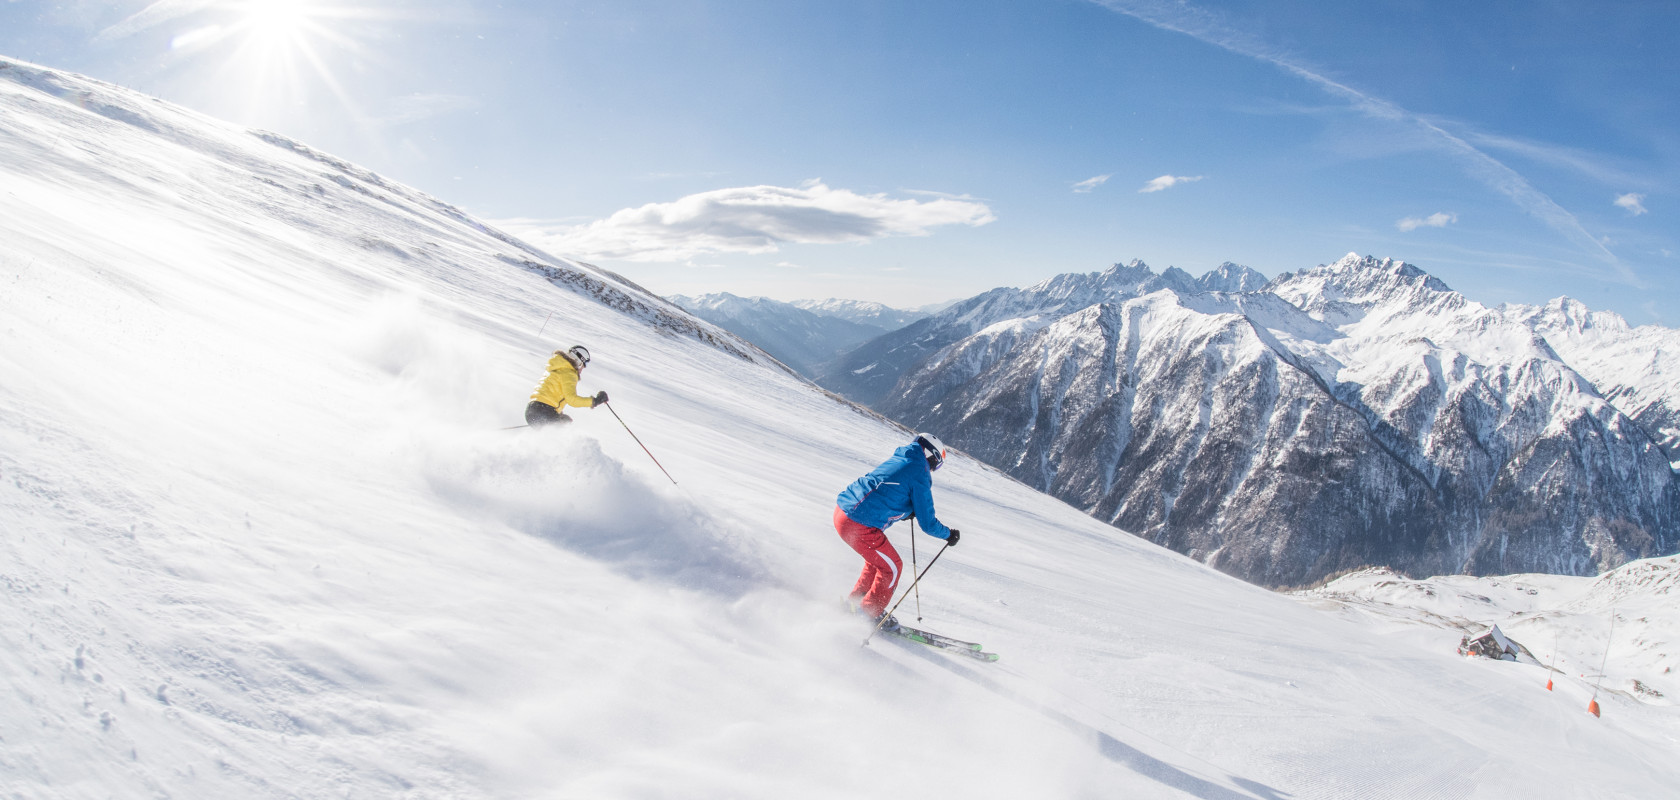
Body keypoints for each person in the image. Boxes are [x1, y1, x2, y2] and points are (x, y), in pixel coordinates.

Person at [833, 433, 960, 632]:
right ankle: (867, 614)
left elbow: (887, 491)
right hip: (858, 523)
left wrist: (907, 511)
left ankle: (855, 603)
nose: (934, 469)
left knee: (877, 562)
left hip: (844, 512)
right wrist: (949, 535)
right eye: (938, 463)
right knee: (892, 568)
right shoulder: (919, 472)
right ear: (932, 455)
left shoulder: (903, 457)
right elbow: (928, 523)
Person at [526, 344, 608, 427]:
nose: (582, 370)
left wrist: (559, 416)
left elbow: (551, 394)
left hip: (532, 409)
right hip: (544, 411)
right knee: (561, 432)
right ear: (579, 362)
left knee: (555, 429)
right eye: (583, 365)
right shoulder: (569, 373)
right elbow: (572, 400)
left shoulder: (557, 367)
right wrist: (595, 401)